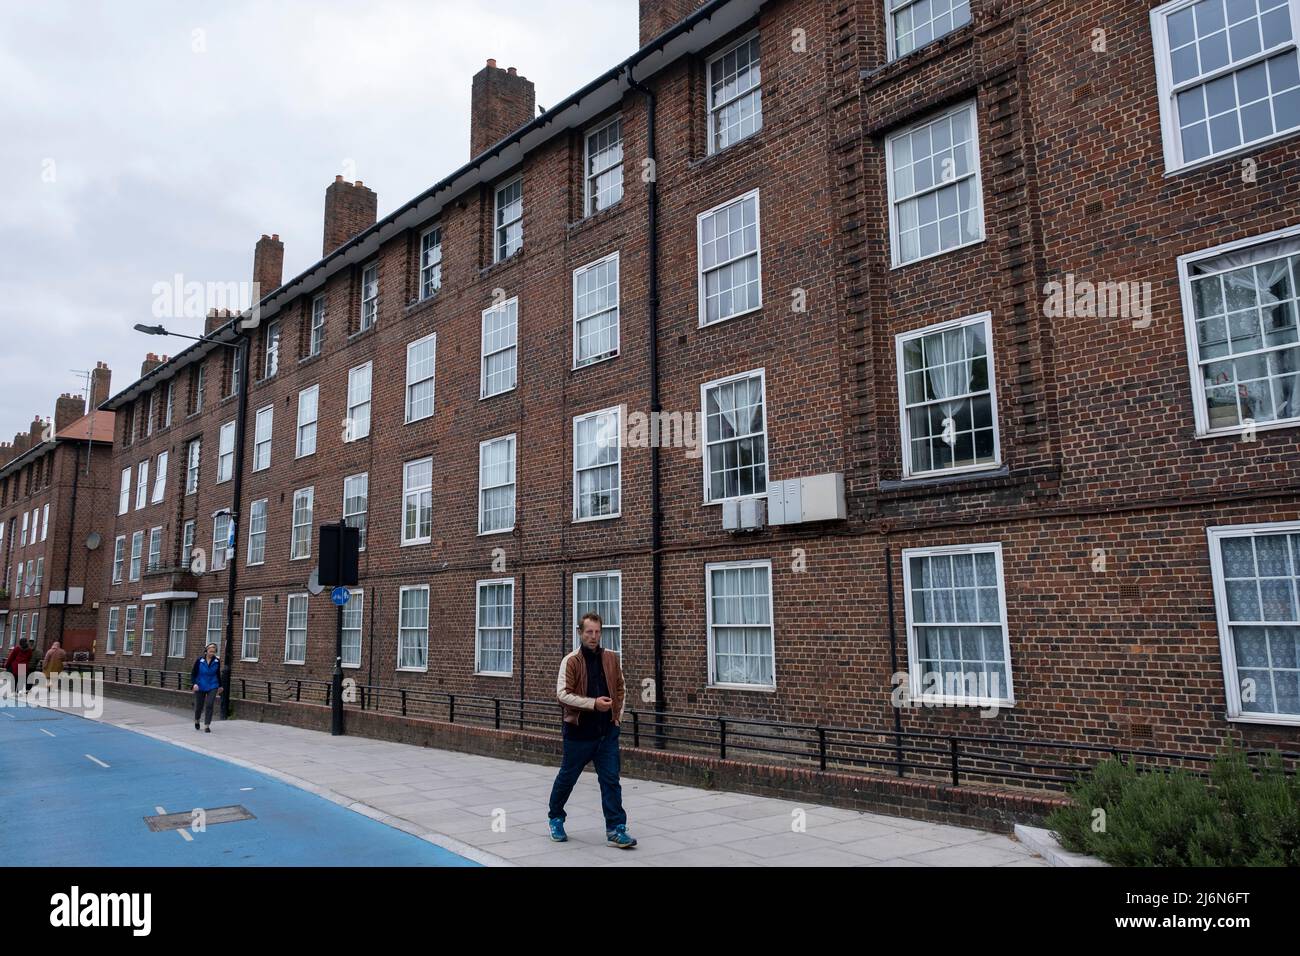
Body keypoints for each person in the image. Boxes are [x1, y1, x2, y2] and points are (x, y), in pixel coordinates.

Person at [547, 612, 636, 849]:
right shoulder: (571, 661)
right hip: (578, 734)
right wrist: (593, 704)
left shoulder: (611, 658)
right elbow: (562, 695)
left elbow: (621, 688)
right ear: (580, 632)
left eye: (597, 632)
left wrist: (617, 716)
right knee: (567, 778)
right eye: (589, 632)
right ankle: (555, 817)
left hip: (606, 733)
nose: (593, 636)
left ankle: (616, 829)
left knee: (611, 781)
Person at [190, 643, 222, 732]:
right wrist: (194, 684)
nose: (212, 653)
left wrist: (220, 685)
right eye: (210, 651)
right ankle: (197, 720)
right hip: (200, 685)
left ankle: (207, 725)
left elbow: (218, 674)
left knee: (209, 704)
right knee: (199, 705)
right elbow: (193, 674)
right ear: (206, 651)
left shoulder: (217, 661)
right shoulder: (199, 660)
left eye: (214, 652)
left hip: (213, 685)